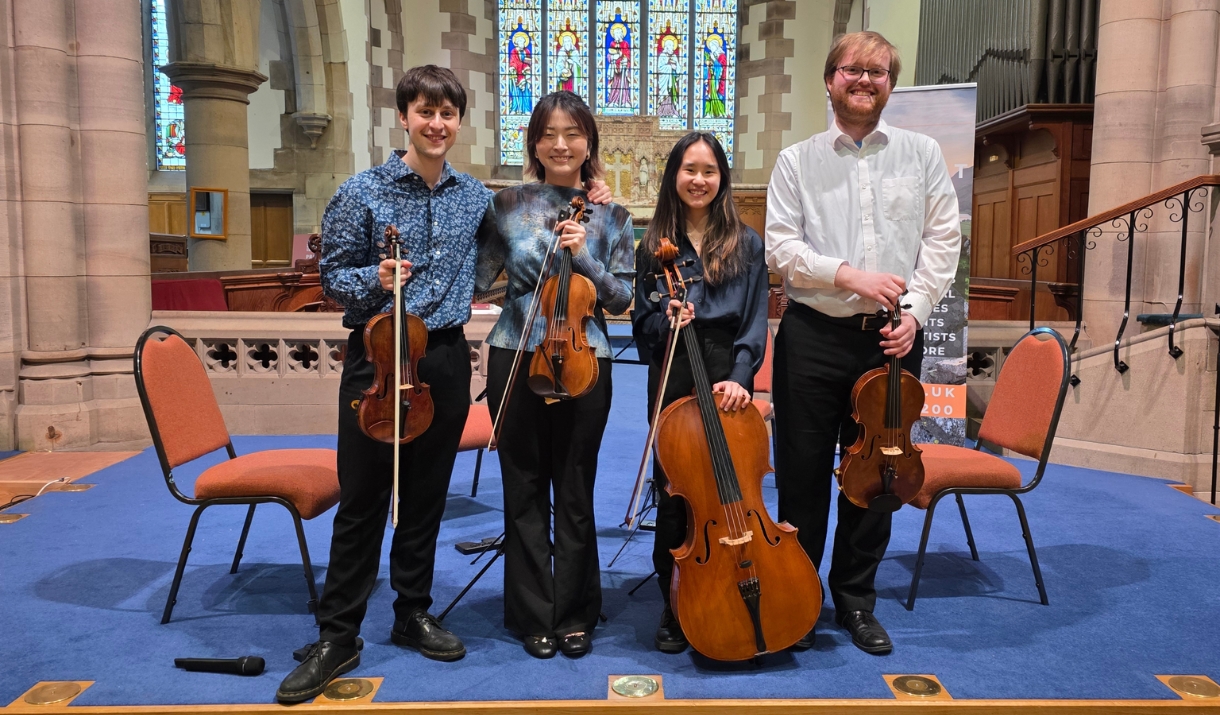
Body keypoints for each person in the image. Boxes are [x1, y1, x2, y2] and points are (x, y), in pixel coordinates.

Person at [275, 67, 611, 702]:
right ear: (404, 115)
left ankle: (412, 612)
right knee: (366, 495)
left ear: (459, 123)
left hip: (448, 357)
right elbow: (330, 279)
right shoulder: (361, 192)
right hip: (380, 353)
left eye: (447, 115)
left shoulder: (470, 197)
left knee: (427, 493)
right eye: (424, 112)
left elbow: (505, 262)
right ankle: (338, 632)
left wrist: (586, 207)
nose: (436, 124)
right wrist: (373, 278)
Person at [764, 31, 961, 656]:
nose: (864, 80)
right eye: (853, 69)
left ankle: (854, 598)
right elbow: (781, 249)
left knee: (878, 471)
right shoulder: (797, 161)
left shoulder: (923, 153)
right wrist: (848, 274)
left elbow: (942, 240)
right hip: (814, 334)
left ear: (890, 86)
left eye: (878, 72)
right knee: (801, 473)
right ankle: (796, 591)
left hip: (893, 338)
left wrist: (919, 311)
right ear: (830, 80)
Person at [477, 91, 635, 661]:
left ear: (588, 142)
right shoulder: (506, 205)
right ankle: (530, 612)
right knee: (521, 486)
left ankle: (574, 611)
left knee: (574, 487)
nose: (561, 144)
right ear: (535, 143)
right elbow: (479, 281)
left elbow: (622, 301)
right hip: (516, 352)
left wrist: (585, 259)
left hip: (589, 358)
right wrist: (526, 293)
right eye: (549, 133)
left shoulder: (613, 216)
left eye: (572, 133)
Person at [631, 131, 769, 654]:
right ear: (674, 176)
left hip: (724, 371)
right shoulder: (654, 244)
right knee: (676, 490)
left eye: (709, 171)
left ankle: (739, 577)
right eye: (689, 169)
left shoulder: (747, 243)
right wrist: (661, 318)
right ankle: (674, 599)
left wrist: (741, 374)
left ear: (722, 179)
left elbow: (756, 318)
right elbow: (639, 317)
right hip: (673, 367)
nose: (699, 180)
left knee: (734, 485)